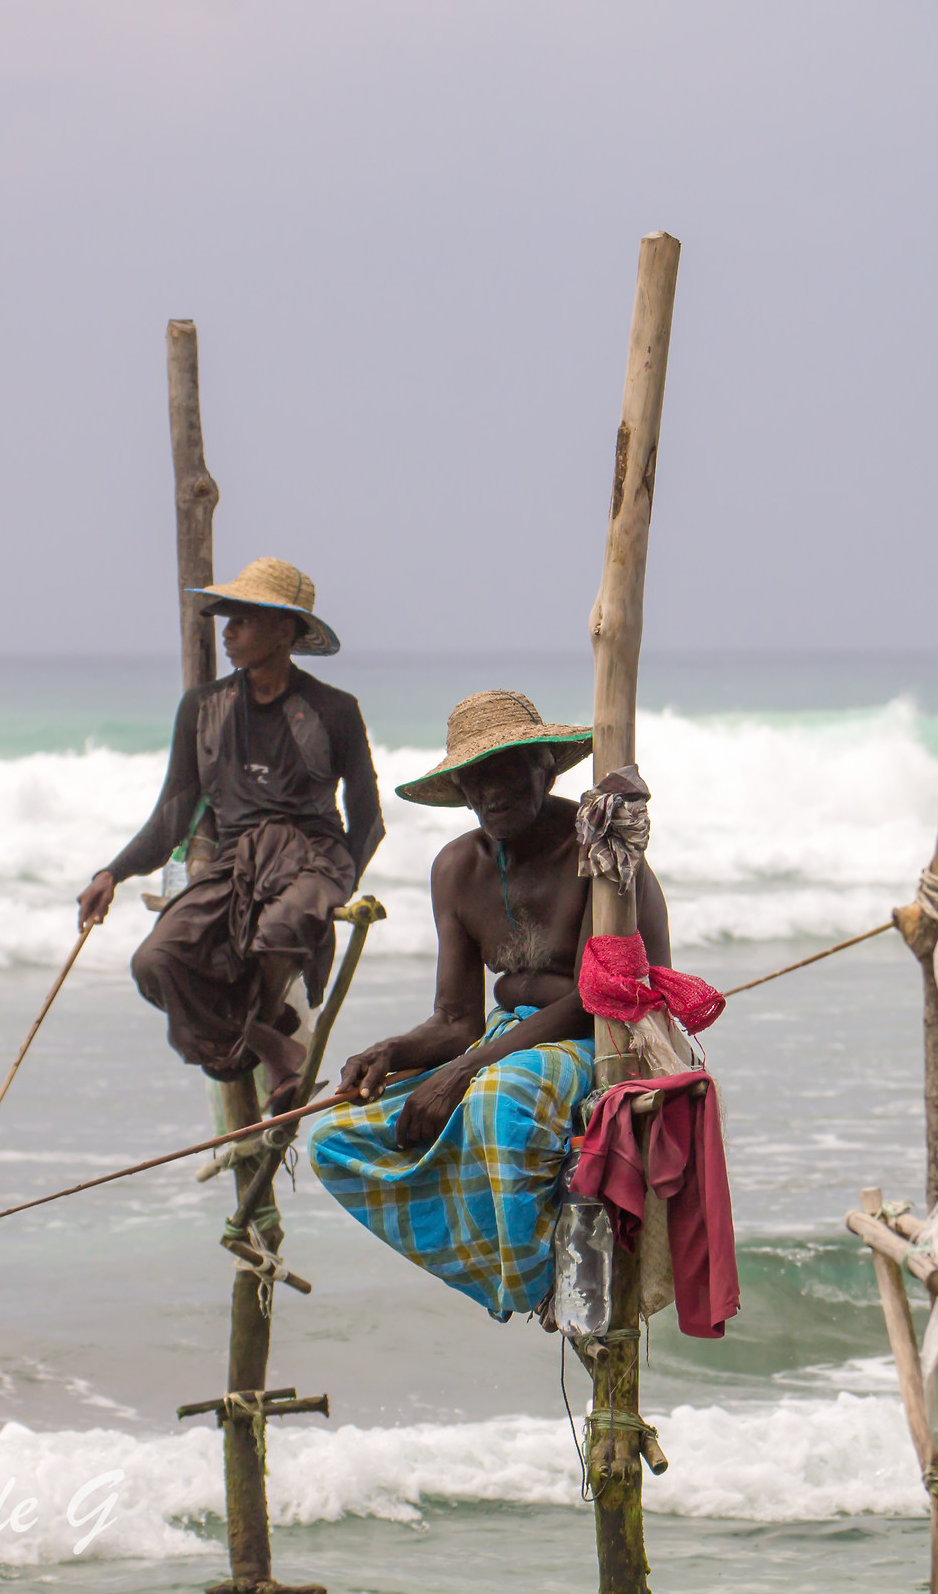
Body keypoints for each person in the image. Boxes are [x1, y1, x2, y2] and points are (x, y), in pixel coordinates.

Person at [309, 689, 671, 1318]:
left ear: (546, 769)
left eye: (506, 773)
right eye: (476, 781)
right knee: (338, 1138)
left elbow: (599, 997)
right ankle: (501, 1265)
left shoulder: (598, 850)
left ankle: (534, 1287)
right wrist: (391, 1051)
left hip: (606, 1035)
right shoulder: (456, 868)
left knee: (498, 1101)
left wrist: (464, 1070)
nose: (492, 794)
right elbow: (456, 1021)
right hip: (505, 1039)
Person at [77, 558, 382, 1111]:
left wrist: (338, 885)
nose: (227, 633)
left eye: (242, 619)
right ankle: (271, 1042)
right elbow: (172, 814)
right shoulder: (202, 708)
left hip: (314, 855)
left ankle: (272, 1039)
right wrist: (111, 873)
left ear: (284, 630)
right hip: (235, 862)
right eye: (228, 619)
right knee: (155, 962)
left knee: (283, 929)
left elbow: (368, 818)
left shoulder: (334, 710)